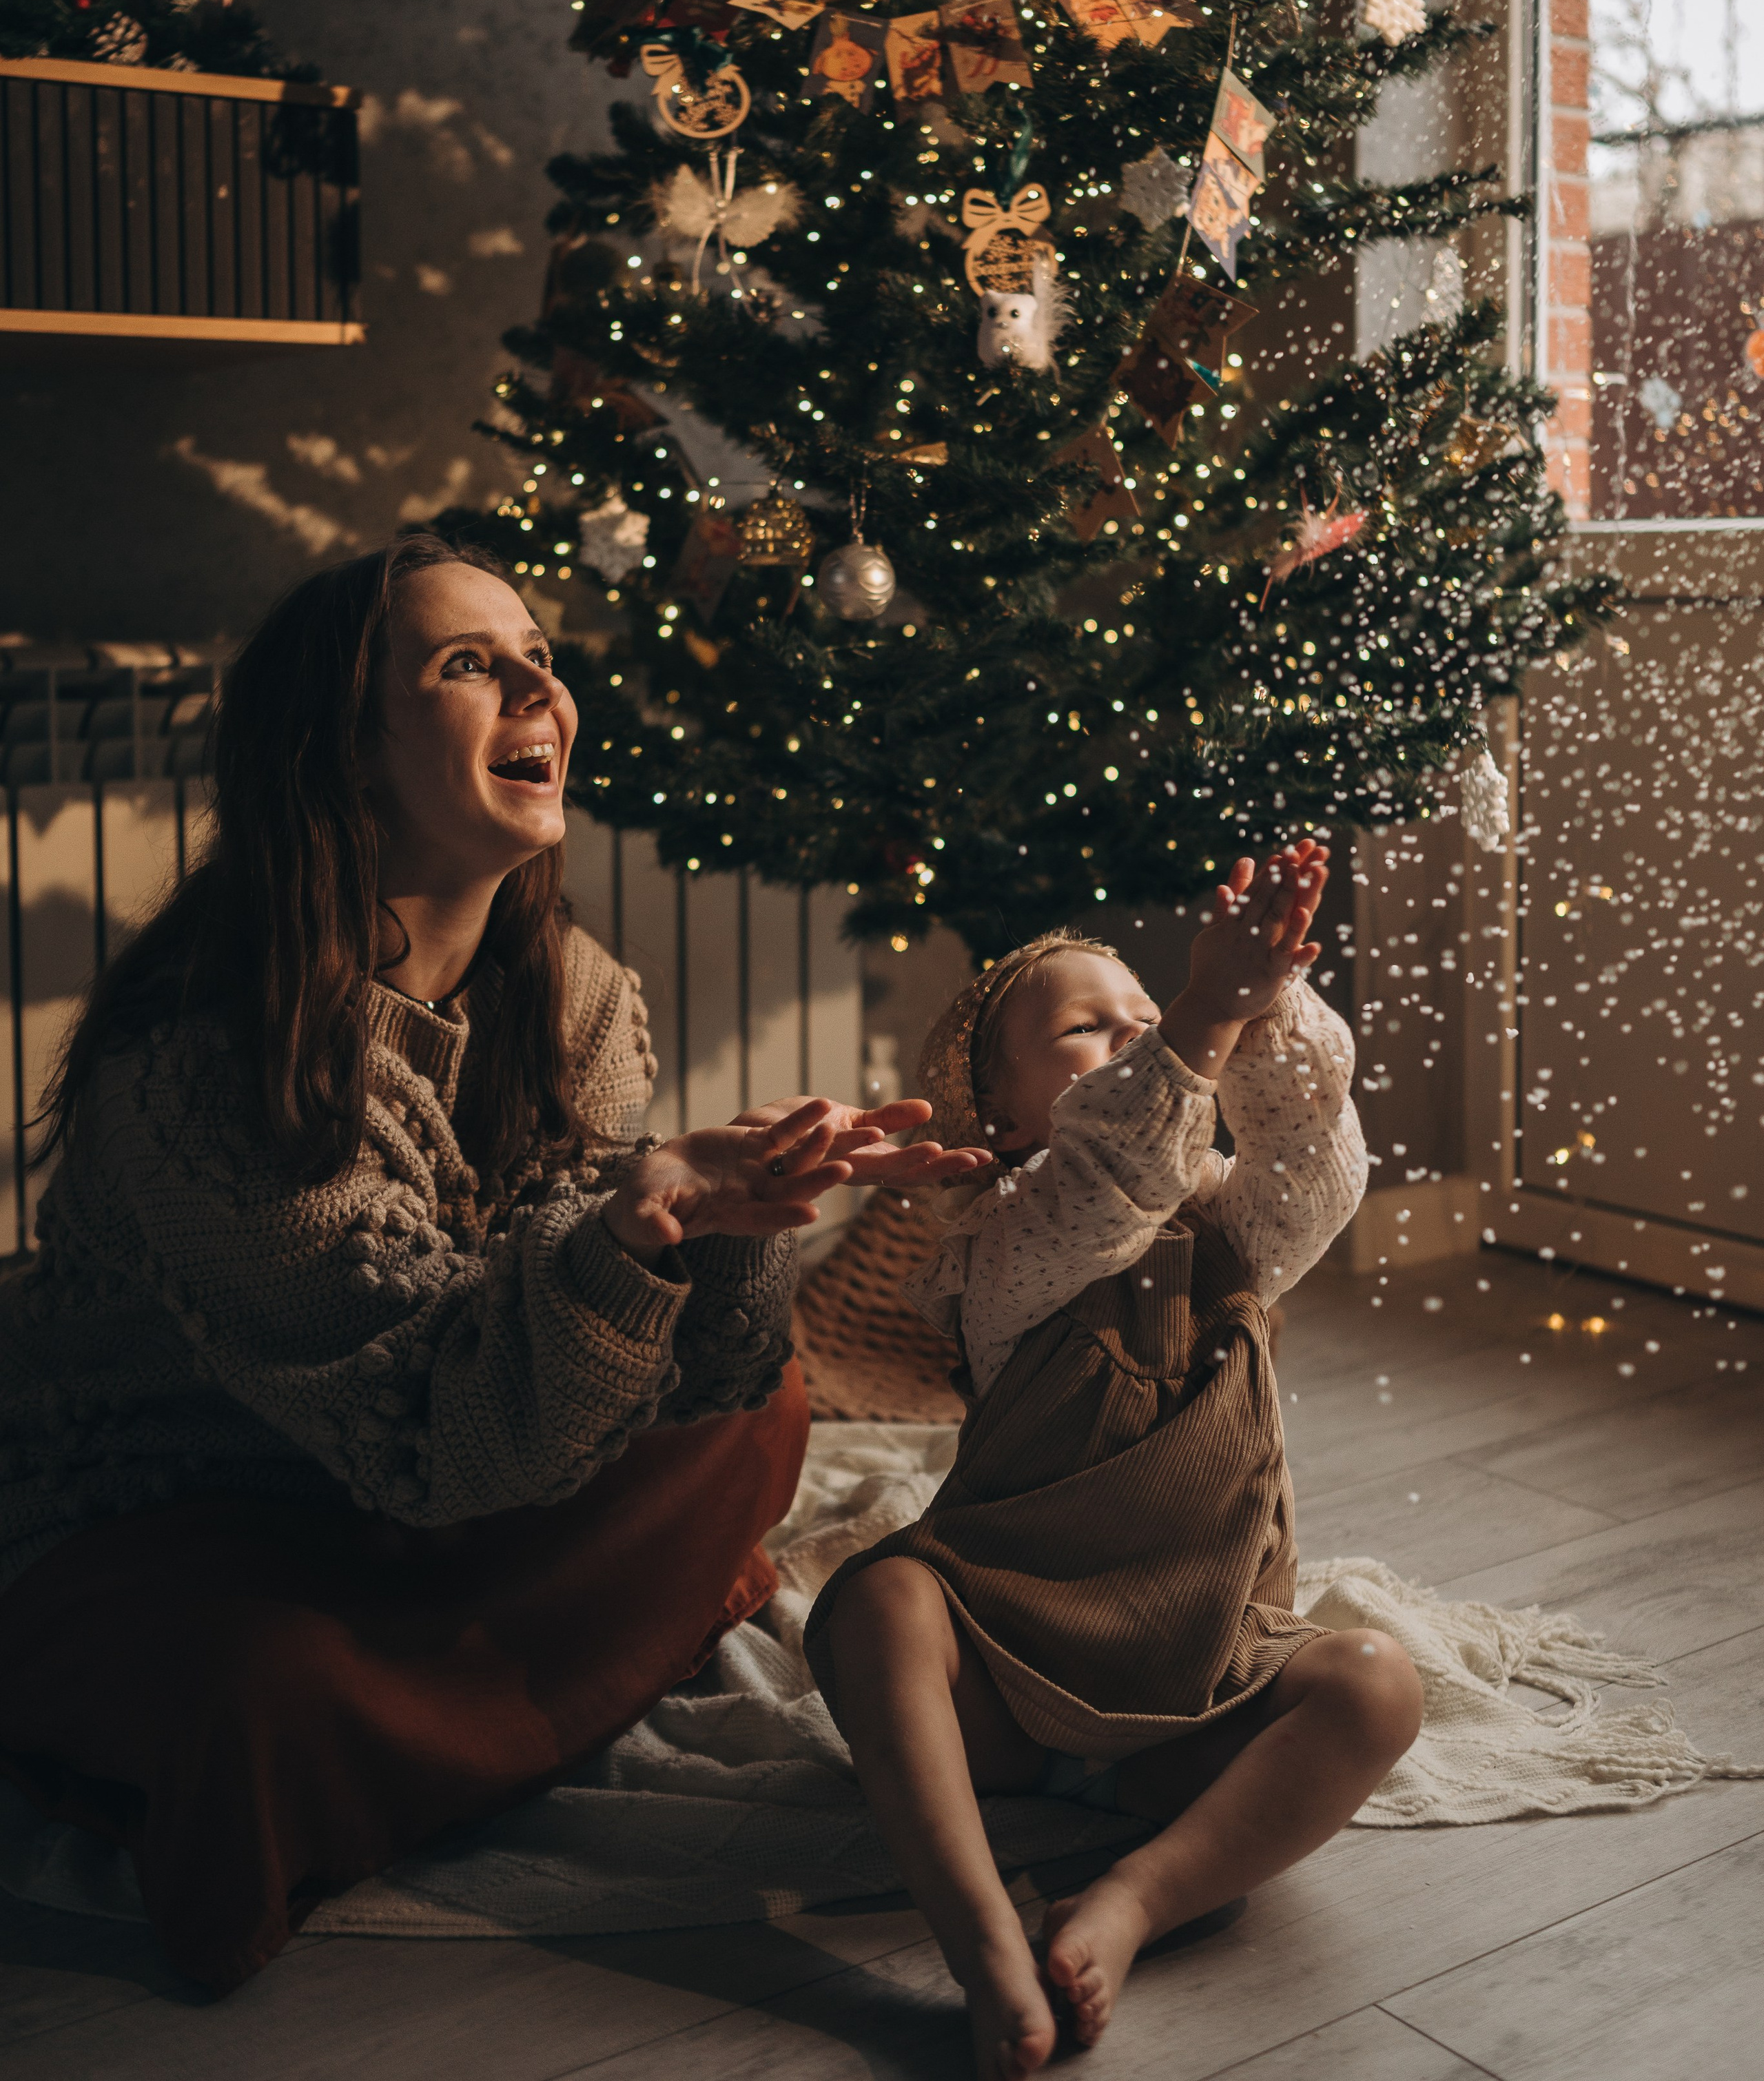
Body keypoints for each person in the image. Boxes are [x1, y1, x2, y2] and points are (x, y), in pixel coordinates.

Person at [0, 535, 983, 1991]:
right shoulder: (209, 1072)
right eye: (469, 662)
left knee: (762, 1411)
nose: (541, 678)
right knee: (256, 1695)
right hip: (189, 1512)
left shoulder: (579, 994)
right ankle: (506, 1686)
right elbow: (429, 1444)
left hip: (443, 1481)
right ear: (340, 750)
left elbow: (691, 1366)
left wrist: (729, 1219)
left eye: (535, 651)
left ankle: (453, 1713)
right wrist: (632, 1222)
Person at [803, 845, 1423, 2078]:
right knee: (872, 1603)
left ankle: (1136, 1899)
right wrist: (1195, 1016)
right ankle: (981, 1938)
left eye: (1147, 1018)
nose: (1144, 1042)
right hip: (1008, 1659)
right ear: (1009, 1115)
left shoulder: (1238, 1219)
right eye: (1095, 1031)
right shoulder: (1009, 1239)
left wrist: (1270, 994)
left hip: (1200, 1676)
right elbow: (1107, 1184)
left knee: (1376, 1686)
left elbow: (1315, 1164)